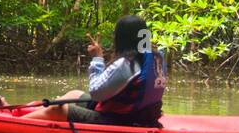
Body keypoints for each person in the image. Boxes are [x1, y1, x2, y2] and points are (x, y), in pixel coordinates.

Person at [11, 14, 166, 126]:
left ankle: (14, 125)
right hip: (140, 117)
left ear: (121, 39)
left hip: (121, 120)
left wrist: (97, 58)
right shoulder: (155, 58)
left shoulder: (127, 64)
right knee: (73, 94)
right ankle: (20, 114)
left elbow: (96, 93)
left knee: (58, 109)